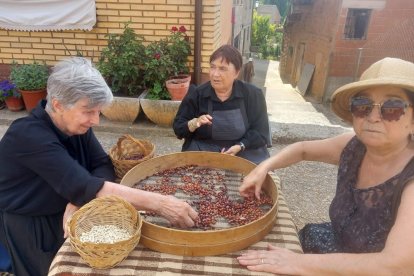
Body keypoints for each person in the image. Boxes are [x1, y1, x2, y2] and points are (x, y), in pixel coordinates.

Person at [0, 57, 198, 276]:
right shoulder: (28, 136)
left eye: (98, 111)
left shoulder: (75, 126)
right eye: (88, 111)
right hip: (33, 223)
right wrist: (161, 204)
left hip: (72, 212)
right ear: (57, 104)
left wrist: (78, 198)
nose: (95, 120)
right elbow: (86, 185)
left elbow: (102, 165)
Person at [237, 57, 414, 275]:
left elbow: (396, 266)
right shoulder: (354, 147)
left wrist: (297, 263)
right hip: (328, 246)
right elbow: (302, 149)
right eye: (362, 105)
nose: (373, 117)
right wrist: (264, 167)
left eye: (392, 107)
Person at [173, 45, 270, 164]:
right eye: (213, 67)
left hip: (242, 151)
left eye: (222, 69)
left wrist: (241, 145)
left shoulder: (252, 95)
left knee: (259, 174)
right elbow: (178, 128)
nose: (215, 74)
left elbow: (261, 132)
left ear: (236, 72)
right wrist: (195, 122)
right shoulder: (197, 94)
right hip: (205, 151)